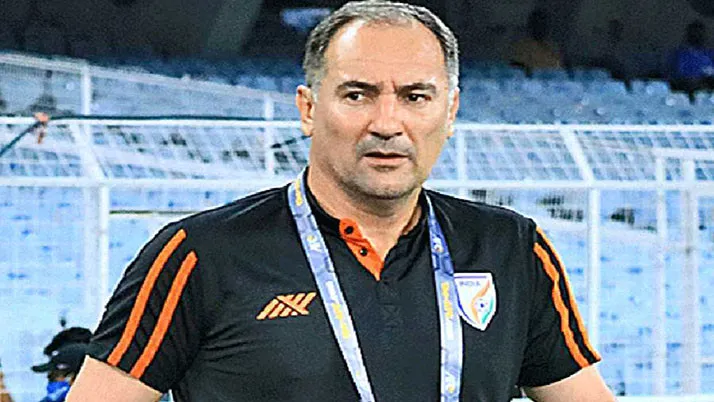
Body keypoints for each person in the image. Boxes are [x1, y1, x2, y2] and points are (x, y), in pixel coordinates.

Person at [68, 1, 615, 401]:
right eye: (358, 95)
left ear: (449, 112)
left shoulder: (511, 249)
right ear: (308, 109)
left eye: (415, 97)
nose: (387, 123)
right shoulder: (200, 254)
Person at [668, 21, 714, 98]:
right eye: (695, 33)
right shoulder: (680, 54)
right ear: (688, 35)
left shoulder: (710, 54)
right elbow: (676, 76)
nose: (697, 36)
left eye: (700, 34)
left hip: (708, 91)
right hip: (686, 92)